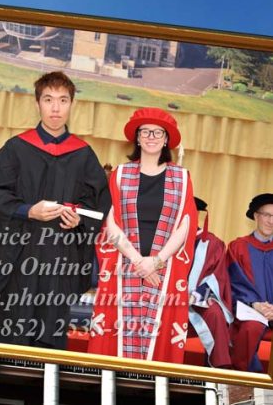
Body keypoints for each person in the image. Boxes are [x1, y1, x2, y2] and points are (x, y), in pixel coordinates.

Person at [0, 71, 111, 349]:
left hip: (58, 265)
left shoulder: (83, 155)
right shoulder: (16, 149)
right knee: (9, 339)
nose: (56, 108)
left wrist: (78, 220)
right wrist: (28, 211)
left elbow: (97, 205)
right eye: (48, 100)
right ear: (37, 104)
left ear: (72, 104)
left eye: (63, 100)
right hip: (16, 261)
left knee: (48, 342)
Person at [88, 107, 197, 363]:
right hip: (125, 265)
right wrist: (139, 261)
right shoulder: (120, 174)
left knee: (158, 343)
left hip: (164, 271)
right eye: (145, 131)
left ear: (166, 139)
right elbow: (110, 223)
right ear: (137, 138)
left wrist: (156, 261)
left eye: (158, 132)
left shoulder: (181, 178)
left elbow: (185, 225)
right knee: (116, 340)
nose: (151, 137)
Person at [227, 193, 273, 372]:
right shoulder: (238, 247)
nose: (271, 221)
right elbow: (232, 284)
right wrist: (254, 304)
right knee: (250, 328)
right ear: (256, 216)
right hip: (249, 311)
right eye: (267, 215)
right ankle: (244, 380)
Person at [188, 197, 232, 368]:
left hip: (195, 299)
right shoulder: (162, 239)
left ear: (197, 214)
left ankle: (218, 369)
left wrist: (195, 296)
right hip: (164, 298)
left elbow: (216, 277)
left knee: (215, 313)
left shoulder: (213, 244)